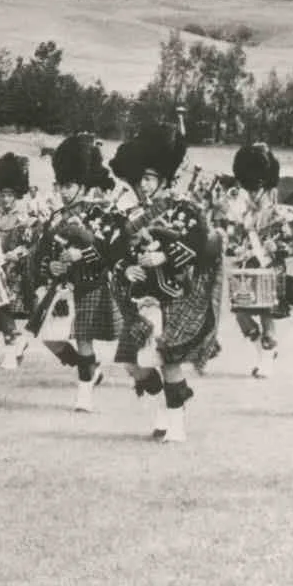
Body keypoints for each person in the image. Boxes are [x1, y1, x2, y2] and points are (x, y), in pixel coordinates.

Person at [106, 124, 218, 441]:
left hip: (175, 295)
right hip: (141, 297)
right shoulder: (132, 214)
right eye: (141, 178)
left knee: (169, 361)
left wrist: (165, 258)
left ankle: (176, 423)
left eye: (151, 178)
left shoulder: (186, 208)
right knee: (132, 363)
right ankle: (165, 402)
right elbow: (116, 249)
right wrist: (126, 268)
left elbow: (203, 245)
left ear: (165, 179)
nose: (144, 184)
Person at [21, 134, 119, 413]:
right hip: (62, 288)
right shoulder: (55, 217)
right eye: (61, 186)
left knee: (84, 339)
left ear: (82, 185)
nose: (63, 191)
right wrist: (50, 267)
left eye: (69, 185)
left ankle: (84, 394)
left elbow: (107, 253)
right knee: (51, 338)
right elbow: (44, 255)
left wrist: (81, 255)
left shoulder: (98, 214)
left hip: (89, 285)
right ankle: (90, 371)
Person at [219, 143, 293, 378]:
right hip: (245, 267)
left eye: (256, 189)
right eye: (249, 188)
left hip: (268, 268)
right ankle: (262, 352)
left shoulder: (278, 212)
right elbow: (232, 239)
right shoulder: (239, 209)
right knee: (241, 313)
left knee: (266, 317)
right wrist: (234, 247)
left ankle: (267, 358)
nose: (252, 193)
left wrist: (278, 247)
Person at [0, 154, 38, 369]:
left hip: (14, 270)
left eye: (9, 195)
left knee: (4, 309)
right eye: (2, 195)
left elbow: (32, 244)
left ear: (16, 196)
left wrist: (17, 254)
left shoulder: (23, 217)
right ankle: (15, 341)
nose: (5, 199)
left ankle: (11, 353)